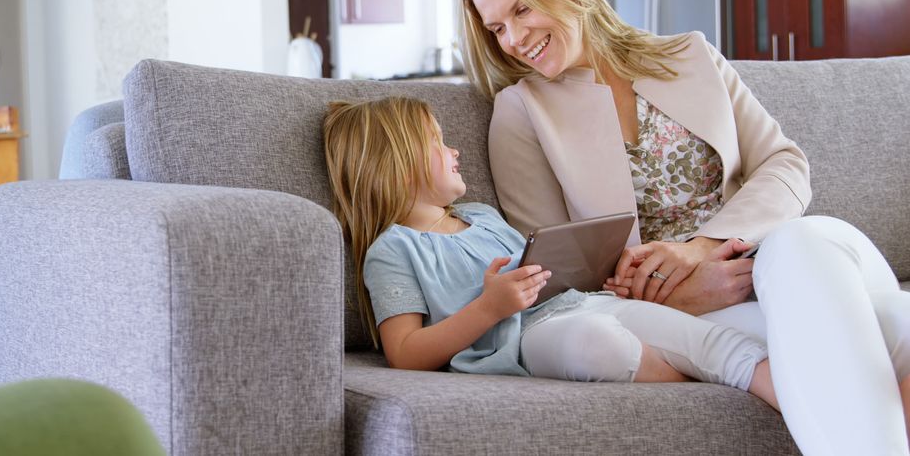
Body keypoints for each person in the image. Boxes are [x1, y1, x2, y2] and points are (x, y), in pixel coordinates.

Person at [457, 0, 910, 455]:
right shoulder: (523, 111)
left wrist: (701, 249)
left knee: (802, 241)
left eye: (521, 10)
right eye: (496, 28)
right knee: (889, 325)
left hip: (786, 260)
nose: (513, 39)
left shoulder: (691, 56)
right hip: (708, 305)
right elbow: (554, 273)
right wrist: (685, 301)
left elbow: (785, 164)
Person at [322, 96, 779, 407]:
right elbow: (403, 353)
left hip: (581, 304)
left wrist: (595, 266)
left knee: (712, 340)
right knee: (597, 343)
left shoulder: (480, 215)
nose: (454, 149)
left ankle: (798, 405)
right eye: (438, 143)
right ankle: (694, 385)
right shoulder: (392, 250)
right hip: (523, 344)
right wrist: (488, 308)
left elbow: (545, 276)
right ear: (401, 167)